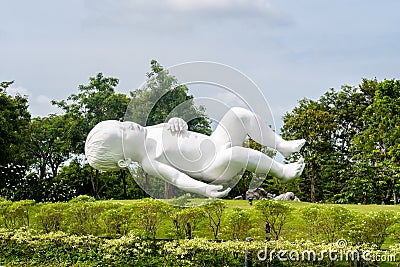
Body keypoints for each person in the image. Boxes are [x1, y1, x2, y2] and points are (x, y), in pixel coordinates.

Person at [85, 107, 305, 198]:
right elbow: (178, 178)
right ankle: (282, 171)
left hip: (214, 142)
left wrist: (177, 122)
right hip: (212, 167)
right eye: (123, 134)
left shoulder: (151, 130)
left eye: (122, 123)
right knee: (236, 153)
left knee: (238, 114)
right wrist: (205, 189)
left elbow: (178, 129)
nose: (128, 126)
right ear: (124, 160)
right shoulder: (149, 161)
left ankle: (281, 145)